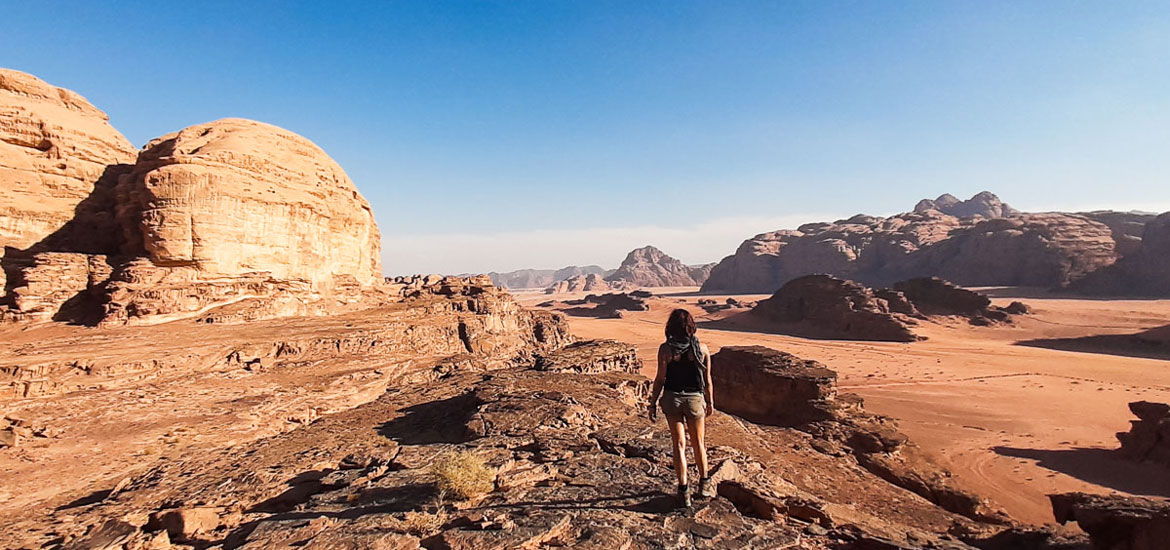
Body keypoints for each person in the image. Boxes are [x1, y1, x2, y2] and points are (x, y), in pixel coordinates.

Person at [648, 308, 714, 508]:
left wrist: (653, 402)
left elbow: (660, 379)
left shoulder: (665, 350)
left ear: (671, 327)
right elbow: (707, 380)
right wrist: (710, 402)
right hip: (695, 400)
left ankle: (684, 491)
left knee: (679, 445)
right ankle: (704, 486)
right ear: (691, 326)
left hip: (672, 399)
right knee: (699, 443)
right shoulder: (702, 349)